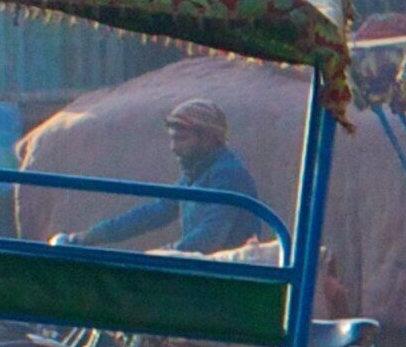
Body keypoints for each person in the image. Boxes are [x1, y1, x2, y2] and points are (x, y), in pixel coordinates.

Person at [60, 97, 264, 254]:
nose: (174, 148)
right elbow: (153, 213)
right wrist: (88, 237)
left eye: (182, 139)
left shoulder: (227, 175)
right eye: (172, 139)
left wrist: (166, 254)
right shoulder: (195, 173)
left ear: (209, 138)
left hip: (225, 282)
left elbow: (210, 236)